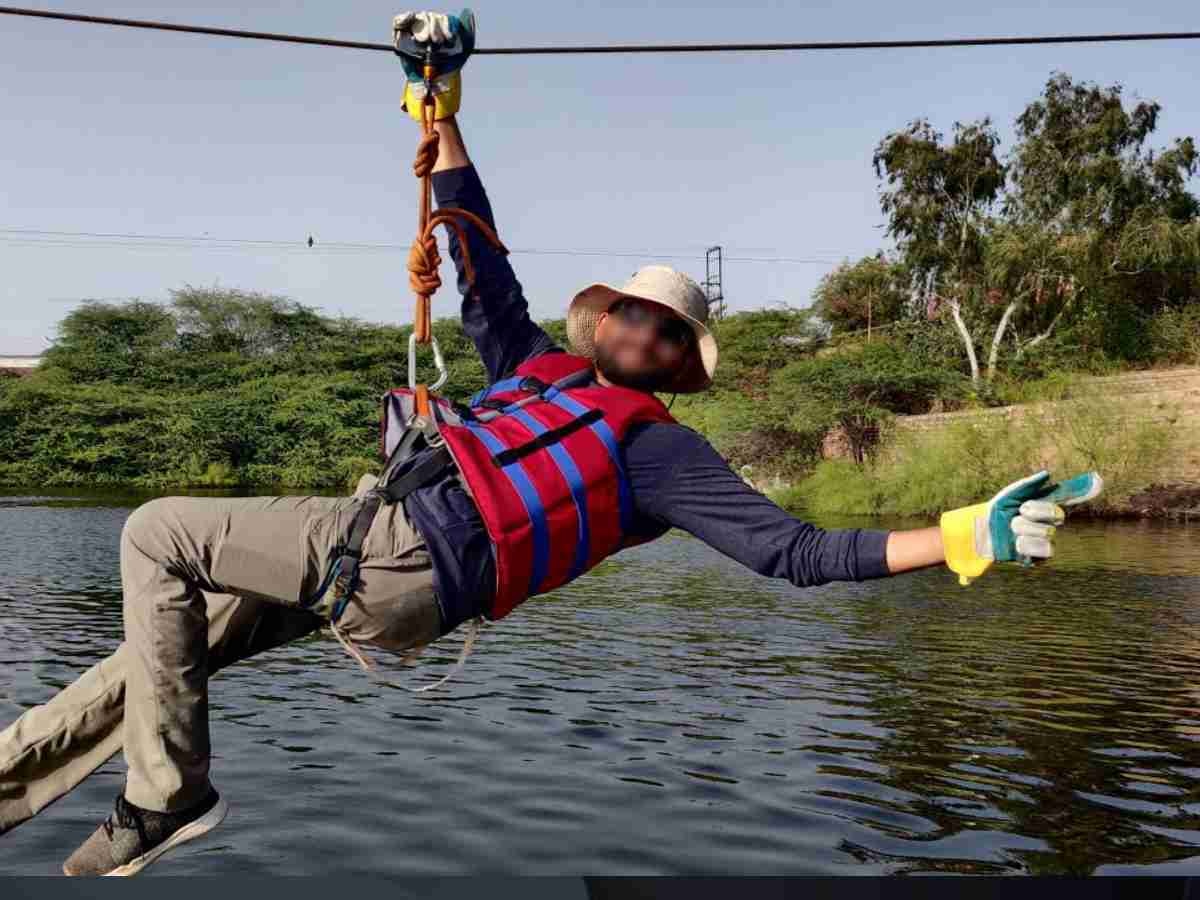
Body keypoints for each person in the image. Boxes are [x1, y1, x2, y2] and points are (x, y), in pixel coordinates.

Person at [0, 9, 1102, 877]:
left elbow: (794, 555)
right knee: (149, 662)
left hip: (394, 559)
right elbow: (478, 250)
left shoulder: (657, 456)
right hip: (376, 562)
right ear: (604, 320)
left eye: (669, 331)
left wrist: (960, 535)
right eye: (633, 311)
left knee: (154, 533)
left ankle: (173, 792)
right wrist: (440, 109)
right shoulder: (534, 365)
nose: (645, 329)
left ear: (679, 364)